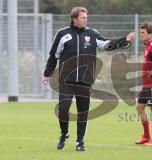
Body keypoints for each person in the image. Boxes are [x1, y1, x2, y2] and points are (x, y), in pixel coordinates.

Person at [42, 7, 135, 152]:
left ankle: (80, 142)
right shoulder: (62, 34)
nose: (86, 20)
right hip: (66, 79)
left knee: (83, 112)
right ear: (74, 19)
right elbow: (54, 55)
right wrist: (47, 73)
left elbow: (107, 44)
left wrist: (124, 40)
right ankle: (64, 133)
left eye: (86, 17)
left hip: (86, 80)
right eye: (83, 17)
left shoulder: (92, 34)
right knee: (64, 108)